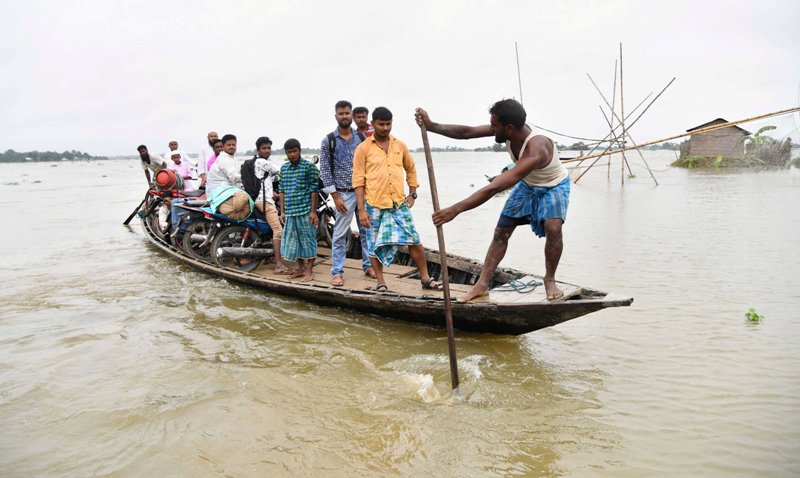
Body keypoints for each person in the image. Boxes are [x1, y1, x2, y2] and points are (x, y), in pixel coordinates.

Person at [415, 99, 571, 301]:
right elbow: (466, 133)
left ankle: (549, 279)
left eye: (494, 125)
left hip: (554, 184)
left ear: (509, 128)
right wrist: (432, 125)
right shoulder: (506, 130)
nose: (491, 129)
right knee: (501, 231)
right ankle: (482, 284)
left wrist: (455, 209)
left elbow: (495, 187)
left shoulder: (536, 148)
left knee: (553, 227)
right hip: (528, 183)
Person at [353, 106, 444, 293]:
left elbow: (410, 169)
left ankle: (425, 278)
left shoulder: (399, 145)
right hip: (374, 204)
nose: (385, 128)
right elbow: (358, 181)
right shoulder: (363, 149)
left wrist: (412, 193)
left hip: (398, 204)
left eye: (388, 124)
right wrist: (361, 210)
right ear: (373, 124)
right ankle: (381, 281)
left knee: (414, 241)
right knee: (373, 245)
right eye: (381, 124)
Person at [319, 100, 375, 287]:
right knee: (340, 235)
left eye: (347, 113)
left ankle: (369, 266)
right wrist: (335, 196)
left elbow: (368, 165)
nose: (344, 116)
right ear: (336, 116)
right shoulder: (329, 140)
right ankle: (337, 272)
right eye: (341, 113)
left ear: (351, 115)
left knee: (368, 232)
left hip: (363, 193)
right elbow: (325, 170)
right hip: (342, 195)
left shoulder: (360, 138)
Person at [243, 136, 290, 275]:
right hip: (264, 202)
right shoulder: (262, 162)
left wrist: (274, 193)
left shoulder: (257, 164)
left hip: (262, 199)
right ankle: (279, 265)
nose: (267, 150)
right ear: (258, 150)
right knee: (278, 230)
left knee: (269, 229)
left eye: (269, 148)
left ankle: (268, 258)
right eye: (264, 148)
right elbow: (280, 171)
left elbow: (269, 180)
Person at [279, 139, 319, 281]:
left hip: (305, 211)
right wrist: (282, 211)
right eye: (289, 152)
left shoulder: (309, 167)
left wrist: (313, 212)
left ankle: (309, 270)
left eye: (294, 151)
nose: (292, 155)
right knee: (294, 242)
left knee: (308, 241)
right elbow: (282, 190)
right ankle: (301, 268)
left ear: (299, 150)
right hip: (290, 212)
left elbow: (314, 190)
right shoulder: (284, 169)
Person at [206, 134, 252, 220]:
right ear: (223, 147)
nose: (231, 147)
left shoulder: (232, 158)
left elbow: (237, 177)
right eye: (229, 145)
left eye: (233, 145)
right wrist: (250, 177)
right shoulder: (223, 159)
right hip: (219, 193)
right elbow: (234, 178)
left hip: (226, 190)